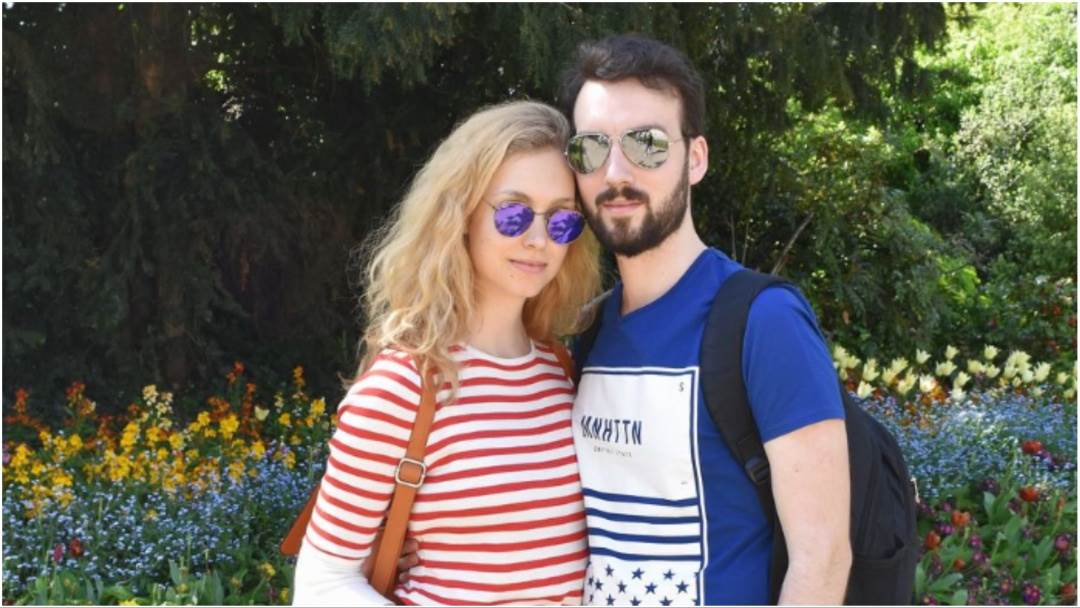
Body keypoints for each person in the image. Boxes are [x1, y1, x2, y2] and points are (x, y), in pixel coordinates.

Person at [558, 35, 852, 605]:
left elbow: (822, 558)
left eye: (645, 144)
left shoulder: (765, 321)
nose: (615, 171)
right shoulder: (589, 330)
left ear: (695, 159)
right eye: (591, 147)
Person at [291, 100, 602, 605]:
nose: (538, 239)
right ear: (460, 216)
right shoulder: (404, 386)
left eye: (562, 220)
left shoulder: (561, 371)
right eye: (514, 213)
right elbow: (322, 583)